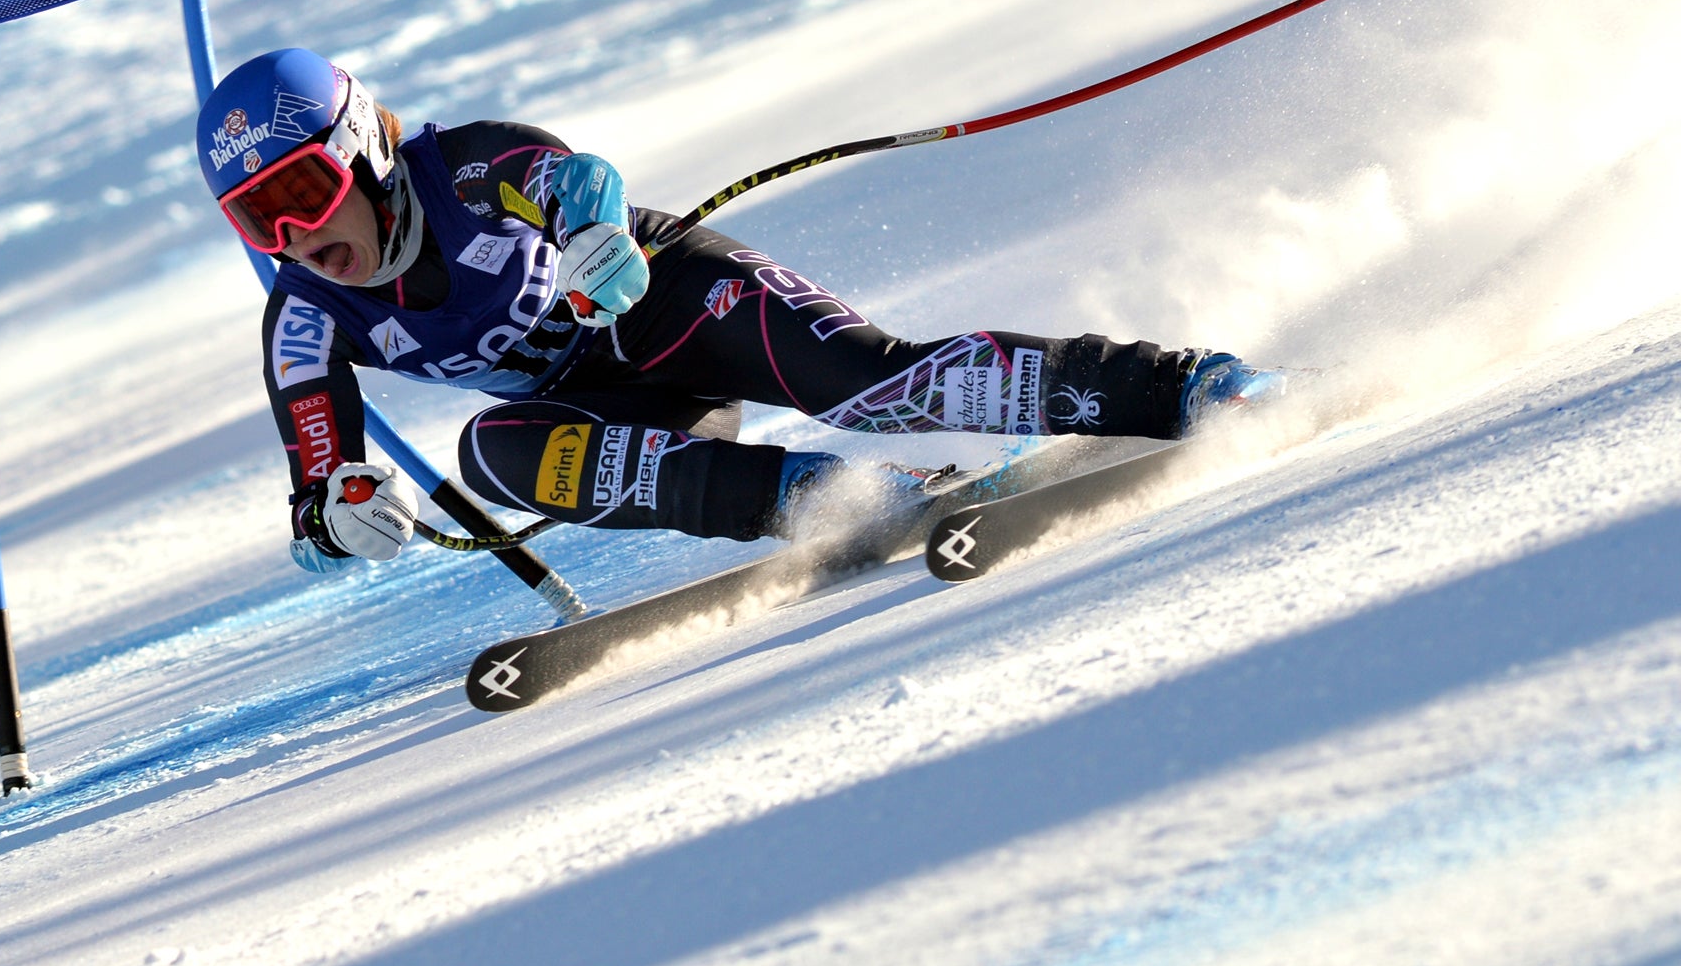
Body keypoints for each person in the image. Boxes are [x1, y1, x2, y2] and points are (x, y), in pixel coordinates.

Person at [198, 49, 1281, 574]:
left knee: (871, 383)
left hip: (672, 306)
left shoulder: (464, 170)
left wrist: (593, 236)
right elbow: (313, 496)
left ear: (364, 153)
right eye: (257, 220)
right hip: (622, 410)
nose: (293, 237)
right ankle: (833, 500)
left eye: (302, 194)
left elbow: (572, 178)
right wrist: (337, 524)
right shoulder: (304, 319)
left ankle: (1179, 383)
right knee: (495, 453)